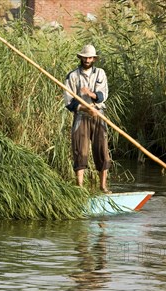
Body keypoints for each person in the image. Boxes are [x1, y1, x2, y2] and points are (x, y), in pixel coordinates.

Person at [63, 44, 112, 193]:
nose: (87, 60)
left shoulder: (100, 74)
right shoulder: (72, 76)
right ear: (81, 58)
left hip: (98, 114)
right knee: (80, 150)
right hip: (81, 116)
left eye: (90, 57)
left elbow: (102, 95)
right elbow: (69, 102)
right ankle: (80, 188)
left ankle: (103, 187)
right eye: (85, 57)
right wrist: (85, 108)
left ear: (93, 59)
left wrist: (91, 95)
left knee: (101, 149)